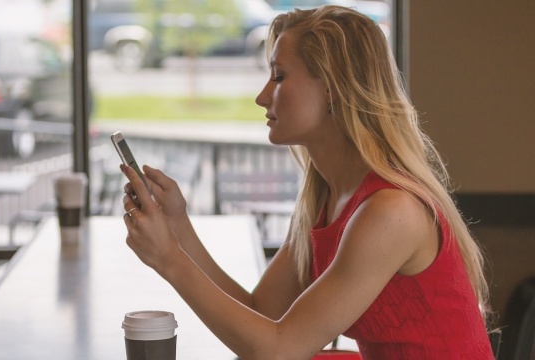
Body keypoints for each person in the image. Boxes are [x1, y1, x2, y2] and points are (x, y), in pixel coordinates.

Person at [119, 5, 494, 359]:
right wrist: (178, 228)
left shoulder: (391, 211)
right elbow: (260, 312)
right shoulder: (329, 199)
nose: (262, 96)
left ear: (331, 88)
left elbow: (277, 350)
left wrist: (169, 259)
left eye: (279, 76)